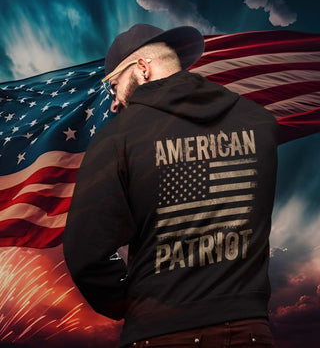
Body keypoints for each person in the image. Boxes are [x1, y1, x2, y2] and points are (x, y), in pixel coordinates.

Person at [63, 24, 278, 347]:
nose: (113, 103)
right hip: (251, 331)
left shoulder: (118, 137)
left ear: (142, 68)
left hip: (160, 333)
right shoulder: (260, 122)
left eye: (114, 88)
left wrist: (134, 303)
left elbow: (86, 254)